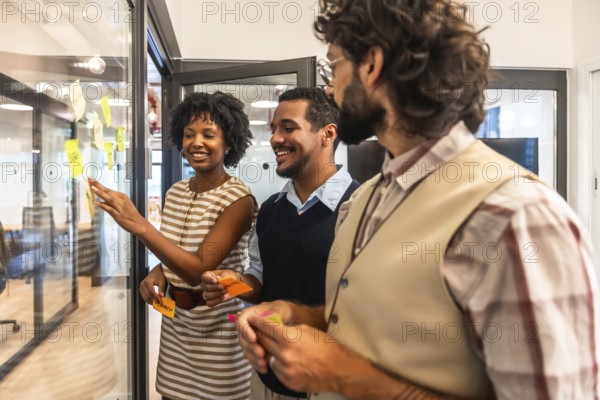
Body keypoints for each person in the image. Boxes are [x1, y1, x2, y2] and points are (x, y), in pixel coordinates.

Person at [234, 1, 600, 399]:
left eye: (333, 66)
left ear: (372, 65)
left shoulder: (516, 216)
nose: (329, 87)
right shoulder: (366, 200)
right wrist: (297, 314)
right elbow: (370, 319)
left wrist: (343, 376)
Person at [90, 91, 258, 400]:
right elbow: (179, 249)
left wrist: (140, 225)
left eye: (209, 134)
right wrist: (159, 273)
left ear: (229, 143)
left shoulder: (239, 200)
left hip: (220, 327)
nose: (197, 142)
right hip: (177, 324)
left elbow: (199, 269)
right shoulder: (176, 192)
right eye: (189, 134)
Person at [200, 87, 359, 400]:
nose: (274, 139)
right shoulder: (271, 207)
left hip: (328, 385)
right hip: (265, 379)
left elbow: (364, 310)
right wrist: (232, 283)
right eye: (273, 129)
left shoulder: (360, 207)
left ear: (327, 134)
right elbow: (258, 278)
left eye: (288, 128)